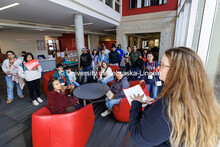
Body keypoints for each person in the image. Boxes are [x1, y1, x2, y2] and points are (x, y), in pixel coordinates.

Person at [129, 47, 220, 147]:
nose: (158, 68)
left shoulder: (167, 107)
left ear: (176, 71)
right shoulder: (200, 98)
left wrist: (136, 103)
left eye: (162, 65)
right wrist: (155, 102)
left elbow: (138, 137)